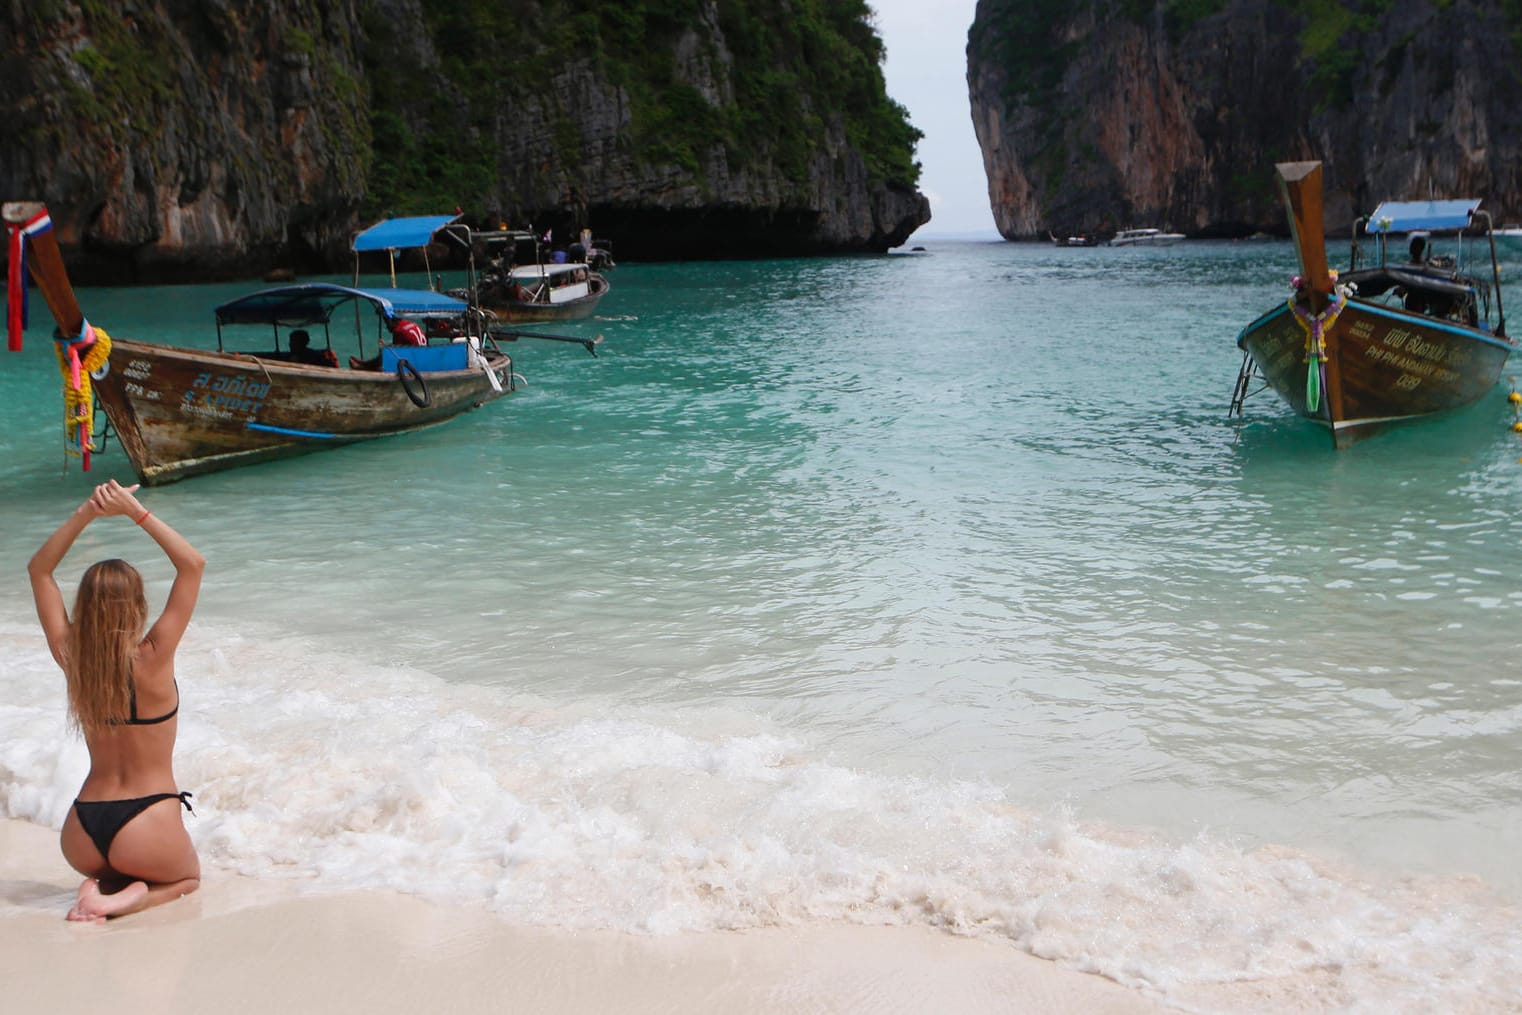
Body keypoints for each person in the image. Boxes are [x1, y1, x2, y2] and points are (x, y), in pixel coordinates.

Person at [28, 480, 206, 922]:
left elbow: (39, 570)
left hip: (82, 832)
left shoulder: (73, 658)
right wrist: (135, 511)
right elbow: (192, 565)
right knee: (187, 880)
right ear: (139, 605)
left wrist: (88, 512)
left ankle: (103, 883)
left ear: (84, 606)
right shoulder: (154, 654)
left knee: (123, 869)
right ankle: (121, 899)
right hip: (146, 823)